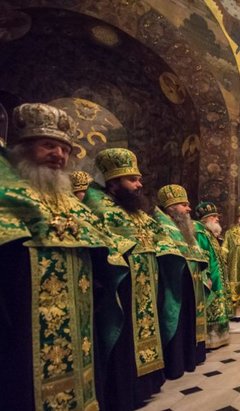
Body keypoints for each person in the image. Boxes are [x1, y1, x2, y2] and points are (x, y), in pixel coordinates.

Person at [0, 103, 131, 410]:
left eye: (64, 149)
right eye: (49, 146)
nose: (58, 156)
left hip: (78, 316)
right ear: (23, 148)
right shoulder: (9, 194)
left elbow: (103, 248)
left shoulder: (72, 204)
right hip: (21, 318)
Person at [85, 148, 181, 407]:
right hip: (121, 287)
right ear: (114, 182)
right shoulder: (100, 208)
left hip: (146, 286)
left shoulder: (136, 212)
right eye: (133, 180)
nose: (139, 185)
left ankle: (145, 385)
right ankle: (123, 393)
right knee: (125, 339)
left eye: (139, 179)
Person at [155, 185, 209, 367]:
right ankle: (177, 362)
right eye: (184, 205)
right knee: (176, 321)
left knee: (189, 322)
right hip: (175, 285)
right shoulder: (162, 226)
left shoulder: (186, 229)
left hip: (191, 285)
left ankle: (190, 356)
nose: (189, 209)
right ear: (171, 207)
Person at [195, 201, 230, 349]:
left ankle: (219, 338)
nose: (217, 219)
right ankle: (210, 339)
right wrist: (206, 276)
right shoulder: (200, 232)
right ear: (207, 218)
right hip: (211, 278)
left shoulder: (210, 233)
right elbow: (202, 256)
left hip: (218, 277)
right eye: (214, 217)